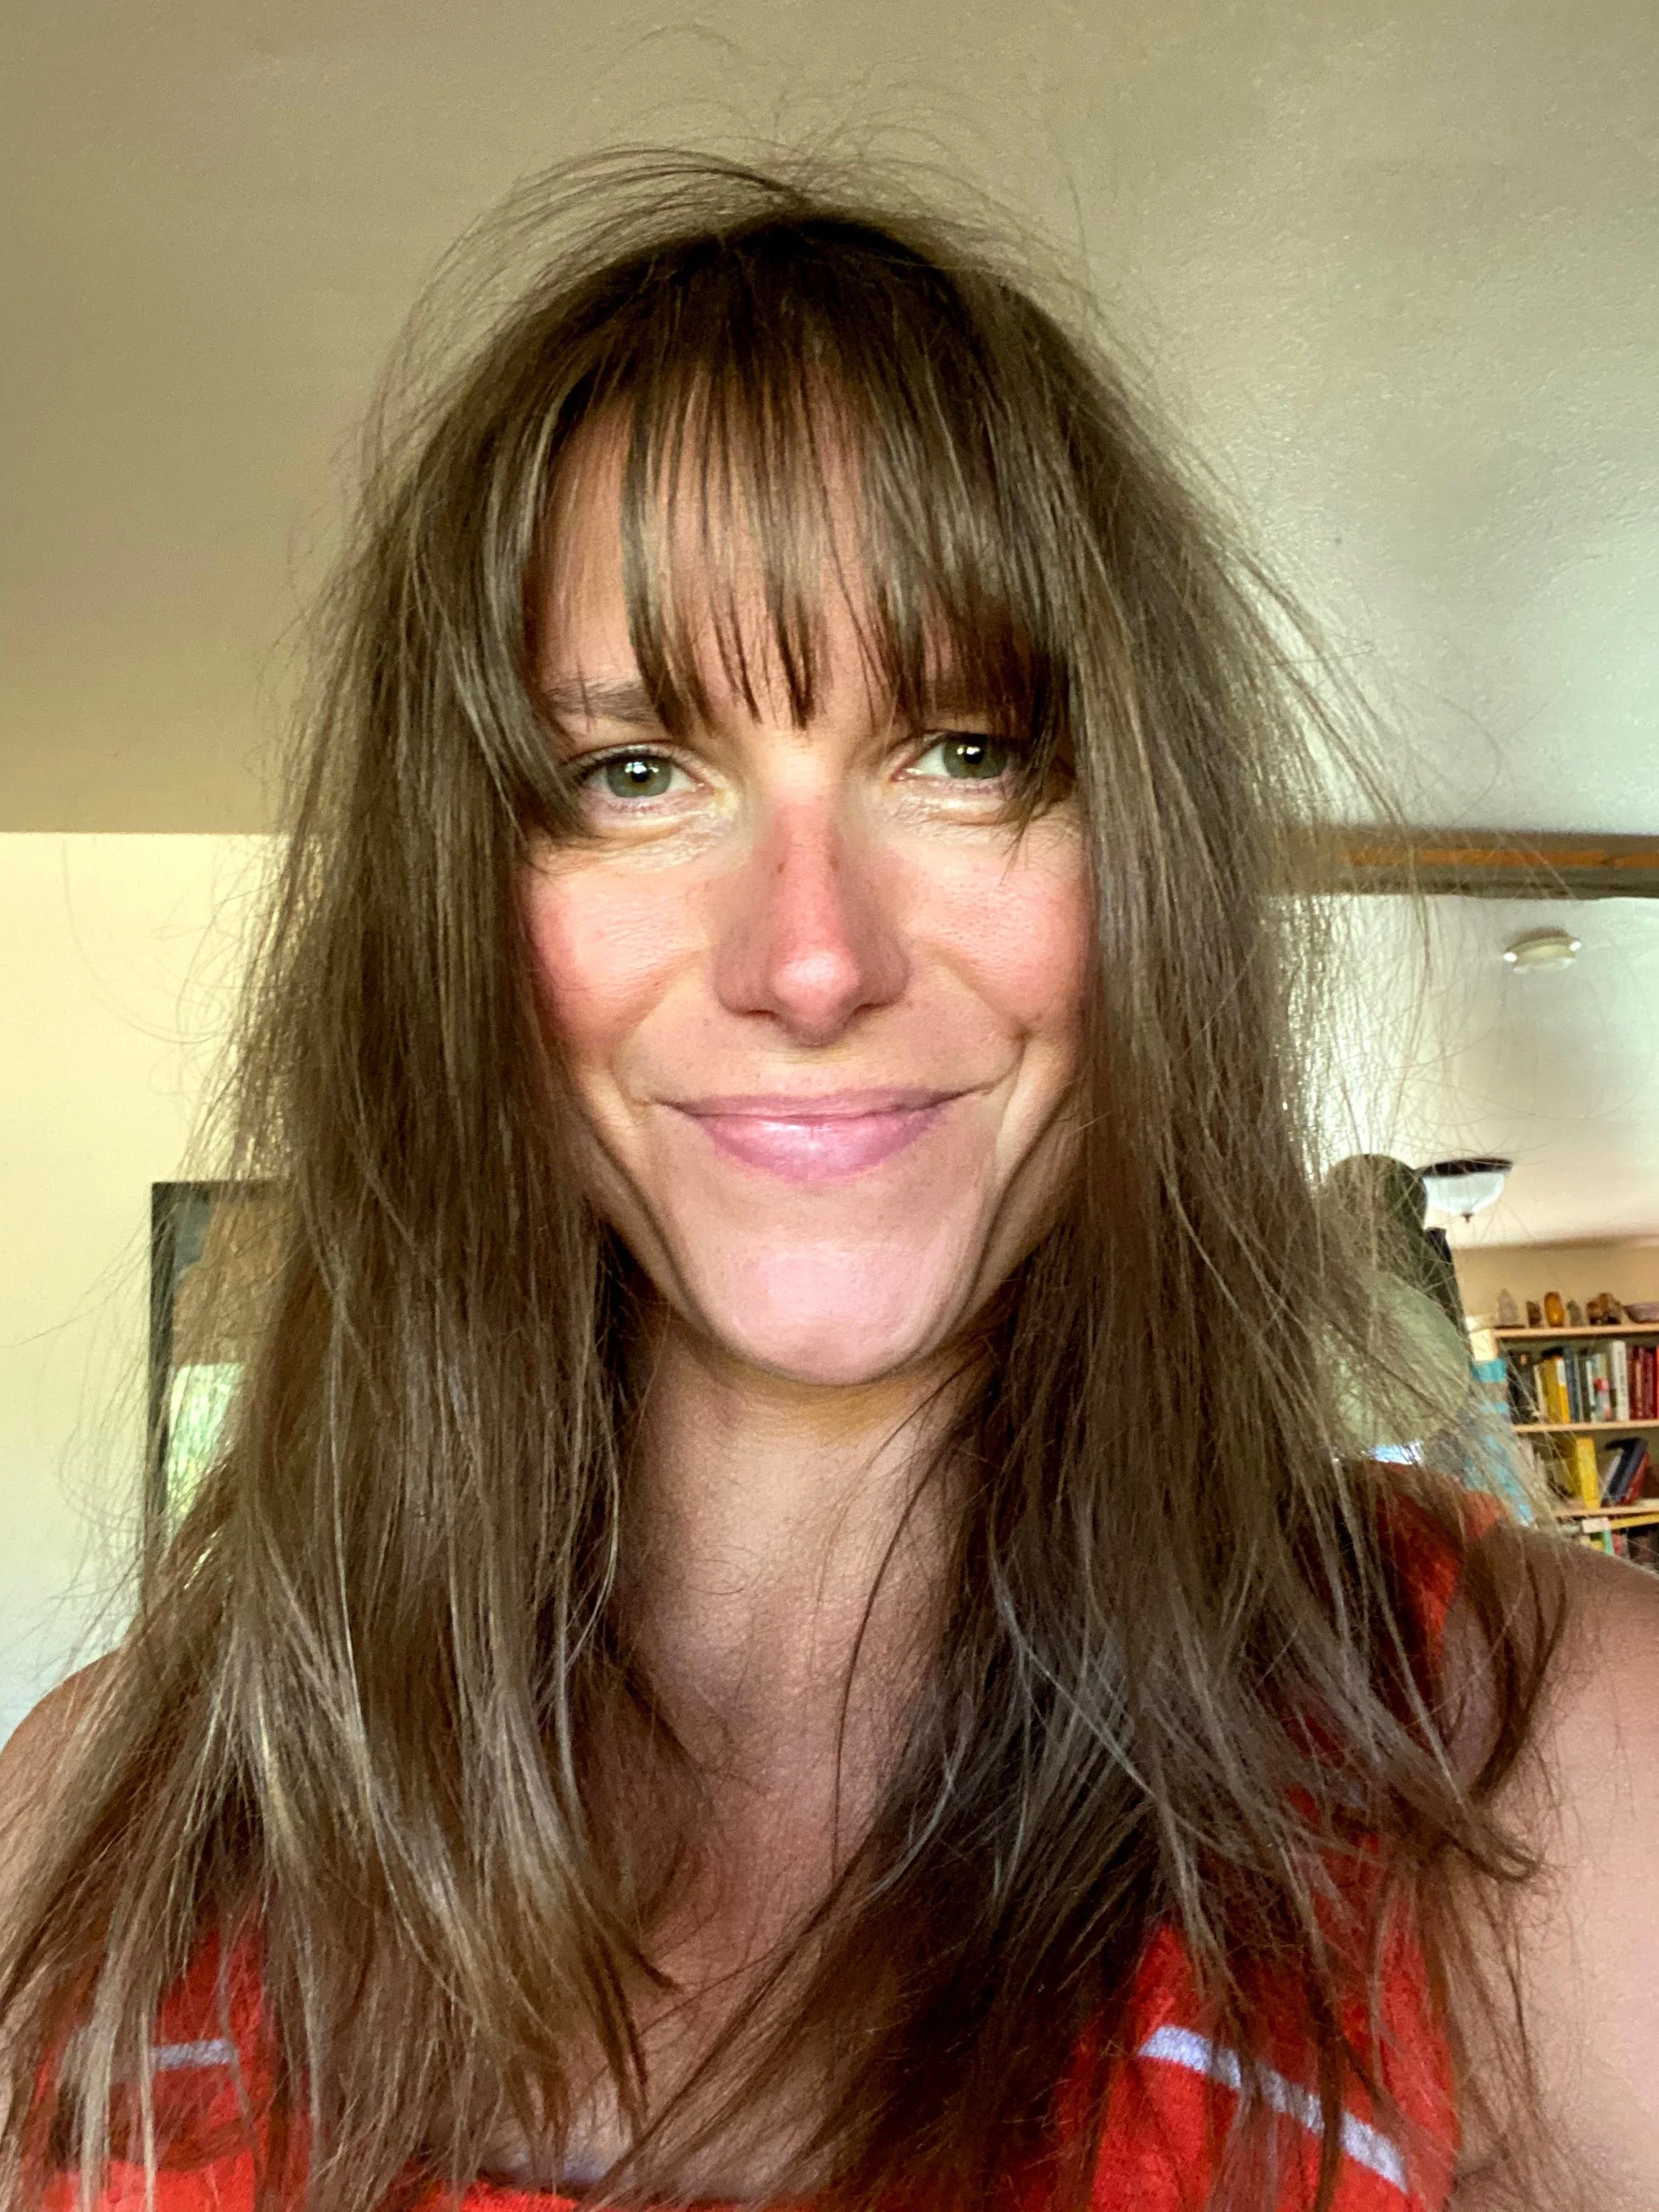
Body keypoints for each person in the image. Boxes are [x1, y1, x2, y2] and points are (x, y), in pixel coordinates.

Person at [3, 153, 1658, 2212]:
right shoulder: (98, 1818)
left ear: (1136, 860)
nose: (810, 958)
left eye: (961, 752)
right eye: (633, 775)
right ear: (463, 921)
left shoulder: (1544, 1768)